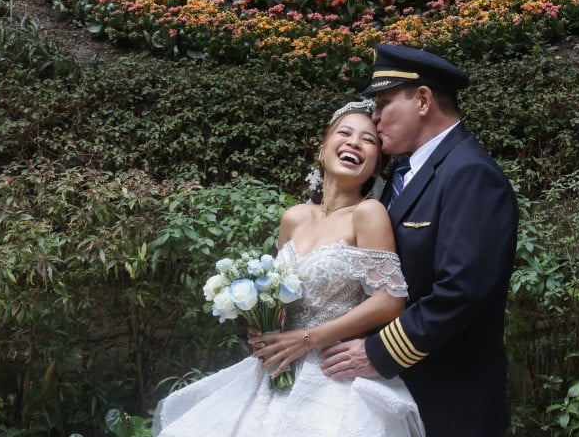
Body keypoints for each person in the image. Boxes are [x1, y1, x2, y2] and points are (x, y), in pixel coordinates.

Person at [152, 99, 425, 437]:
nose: (355, 142)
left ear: (374, 167)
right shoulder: (294, 217)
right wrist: (264, 323)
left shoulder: (368, 214)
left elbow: (390, 300)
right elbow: (282, 291)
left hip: (331, 371)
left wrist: (309, 339)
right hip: (276, 366)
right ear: (323, 149)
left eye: (368, 140)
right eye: (345, 133)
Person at [320, 44, 520, 437]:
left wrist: (378, 352)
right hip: (387, 395)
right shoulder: (399, 172)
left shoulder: (470, 173)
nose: (374, 117)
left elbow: (461, 290)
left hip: (448, 398)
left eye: (384, 102)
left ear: (424, 99)